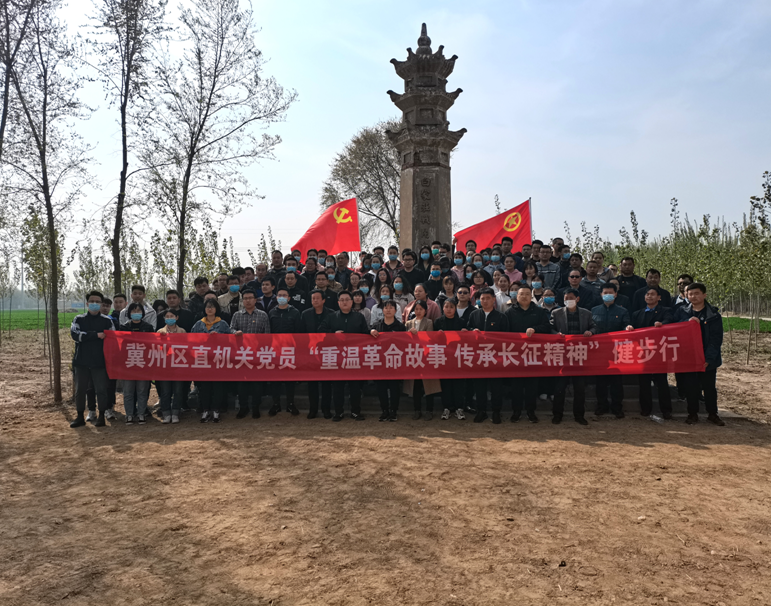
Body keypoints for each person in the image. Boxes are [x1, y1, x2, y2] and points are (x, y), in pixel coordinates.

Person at [674, 283, 725, 426]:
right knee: (691, 387)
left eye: (697, 293)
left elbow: (716, 339)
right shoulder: (682, 311)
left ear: (704, 295)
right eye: (690, 294)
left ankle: (712, 414)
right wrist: (686, 322)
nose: (693, 296)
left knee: (709, 387)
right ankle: (692, 414)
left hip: (707, 358)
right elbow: (674, 326)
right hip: (688, 356)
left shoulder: (713, 315)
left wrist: (708, 358)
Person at [504, 285, 552, 423]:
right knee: (516, 386)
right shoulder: (509, 312)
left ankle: (531, 411)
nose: (524, 296)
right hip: (515, 354)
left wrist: (535, 329)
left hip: (534, 354)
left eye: (526, 294)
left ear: (531, 296)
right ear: (516, 296)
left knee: (532, 386)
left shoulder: (539, 311)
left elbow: (547, 327)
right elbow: (504, 332)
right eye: (521, 294)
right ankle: (516, 411)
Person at [69, 291, 116, 428]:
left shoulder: (107, 321)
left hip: (100, 361)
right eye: (92, 301)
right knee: (80, 390)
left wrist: (87, 337)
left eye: (97, 302)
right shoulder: (78, 319)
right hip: (81, 361)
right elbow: (75, 335)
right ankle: (79, 416)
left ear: (101, 304)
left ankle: (101, 416)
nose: (95, 304)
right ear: (87, 303)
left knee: (101, 390)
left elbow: (112, 339)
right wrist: (96, 335)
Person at [550, 289, 596, 424]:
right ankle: (557, 414)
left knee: (580, 388)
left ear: (577, 299)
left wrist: (590, 332)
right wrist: (556, 335)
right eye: (566, 298)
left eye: (571, 297)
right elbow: (550, 328)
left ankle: (579, 415)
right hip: (562, 355)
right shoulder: (556, 313)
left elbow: (594, 327)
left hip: (579, 356)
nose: (568, 300)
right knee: (559, 388)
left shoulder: (586, 313)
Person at [466, 287, 509, 423]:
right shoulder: (474, 314)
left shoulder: (501, 317)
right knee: (480, 386)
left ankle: (496, 412)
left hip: (496, 357)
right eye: (482, 298)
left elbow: (507, 338)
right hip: (478, 356)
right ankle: (481, 411)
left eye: (488, 298)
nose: (484, 301)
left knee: (496, 387)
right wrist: (472, 331)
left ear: (493, 299)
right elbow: (467, 330)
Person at [630, 288, 674, 419]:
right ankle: (645, 408)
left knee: (662, 382)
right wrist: (629, 327)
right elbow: (632, 327)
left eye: (653, 294)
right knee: (644, 382)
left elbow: (669, 321)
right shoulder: (637, 314)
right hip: (643, 352)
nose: (649, 296)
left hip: (659, 352)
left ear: (659, 297)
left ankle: (666, 410)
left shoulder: (666, 311)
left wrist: (662, 324)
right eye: (647, 294)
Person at [326, 291, 370, 421]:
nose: (344, 302)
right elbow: (321, 332)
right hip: (337, 357)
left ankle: (355, 411)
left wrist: (372, 331)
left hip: (354, 357)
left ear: (352, 302)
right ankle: (338, 412)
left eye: (347, 300)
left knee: (355, 387)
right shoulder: (331, 317)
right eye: (342, 300)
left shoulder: (359, 317)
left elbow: (365, 333)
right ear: (338, 302)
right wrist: (333, 334)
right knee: (337, 388)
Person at [591, 283, 633, 418]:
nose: (608, 295)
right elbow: (591, 327)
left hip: (617, 351)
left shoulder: (622, 311)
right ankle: (601, 406)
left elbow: (626, 325)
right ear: (601, 294)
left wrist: (628, 328)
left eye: (610, 292)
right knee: (600, 381)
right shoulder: (594, 310)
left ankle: (617, 407)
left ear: (615, 294)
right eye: (605, 293)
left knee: (616, 382)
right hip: (599, 351)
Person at [230, 288, 270, 419]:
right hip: (241, 354)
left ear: (255, 300)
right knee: (242, 383)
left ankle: (255, 407)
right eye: (245, 299)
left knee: (256, 383)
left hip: (257, 354)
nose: (247, 301)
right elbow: (231, 329)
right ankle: (243, 407)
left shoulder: (263, 315)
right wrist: (235, 333)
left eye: (250, 298)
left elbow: (267, 335)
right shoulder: (237, 315)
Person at [191, 299, 231, 423]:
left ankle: (216, 410)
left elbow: (230, 341)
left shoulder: (223, 324)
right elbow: (191, 340)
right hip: (203, 360)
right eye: (208, 307)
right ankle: (205, 410)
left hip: (218, 360)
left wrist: (218, 338)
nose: (210, 309)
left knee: (218, 386)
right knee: (205, 387)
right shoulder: (198, 324)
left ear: (216, 309)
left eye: (212, 307)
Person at [267, 288, 303, 416]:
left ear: (289, 298)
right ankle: (276, 404)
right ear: (276, 298)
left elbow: (298, 331)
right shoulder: (271, 312)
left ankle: (290, 404)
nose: (282, 297)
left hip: (290, 350)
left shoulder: (295, 312)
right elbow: (268, 331)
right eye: (279, 295)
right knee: (275, 378)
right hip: (275, 350)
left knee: (290, 378)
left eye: (284, 295)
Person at [369, 299, 406, 421]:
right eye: (386, 307)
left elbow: (405, 344)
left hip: (395, 363)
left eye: (391, 307)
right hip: (380, 363)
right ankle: (384, 410)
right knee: (381, 388)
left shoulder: (400, 327)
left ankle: (394, 411)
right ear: (382, 310)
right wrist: (370, 332)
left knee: (395, 388)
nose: (388, 310)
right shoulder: (376, 326)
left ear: (395, 311)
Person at [404, 300, 441, 420]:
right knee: (416, 386)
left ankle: (429, 410)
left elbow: (429, 338)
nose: (418, 311)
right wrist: (409, 334)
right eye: (416, 309)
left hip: (426, 357)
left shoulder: (429, 322)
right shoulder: (408, 323)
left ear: (425, 311)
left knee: (429, 386)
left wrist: (417, 334)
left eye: (421, 309)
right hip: (413, 357)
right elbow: (403, 339)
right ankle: (417, 409)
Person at [120, 302, 155, 424]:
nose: (136, 313)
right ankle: (129, 415)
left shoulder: (148, 327)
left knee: (142, 391)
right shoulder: (124, 327)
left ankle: (141, 414)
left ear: (143, 313)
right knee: (128, 391)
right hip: (128, 363)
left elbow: (152, 345)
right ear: (129, 313)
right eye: (133, 311)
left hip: (143, 364)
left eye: (138, 311)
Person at [301, 289, 334, 419]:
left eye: (317, 298)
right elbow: (301, 334)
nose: (314, 300)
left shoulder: (332, 314)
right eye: (313, 298)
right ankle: (313, 409)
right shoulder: (305, 314)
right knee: (312, 383)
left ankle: (326, 409)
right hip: (311, 352)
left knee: (326, 383)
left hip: (327, 351)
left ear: (323, 300)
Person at [434, 299, 468, 420]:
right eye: (446, 306)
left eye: (451, 307)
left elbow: (467, 341)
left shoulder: (462, 322)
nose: (449, 309)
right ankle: (447, 408)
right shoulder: (438, 322)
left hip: (458, 358)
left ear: (455, 308)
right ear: (443, 308)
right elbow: (432, 340)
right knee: (446, 384)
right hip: (443, 357)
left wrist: (466, 333)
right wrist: (437, 335)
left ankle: (459, 408)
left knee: (459, 384)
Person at [156, 308, 187, 424]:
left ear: (177, 318)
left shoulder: (182, 331)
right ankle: (166, 413)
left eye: (172, 316)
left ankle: (175, 413)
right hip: (164, 367)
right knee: (165, 391)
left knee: (178, 390)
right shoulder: (160, 331)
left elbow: (187, 347)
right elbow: (155, 349)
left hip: (178, 366)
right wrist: (160, 338)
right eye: (167, 317)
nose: (169, 318)